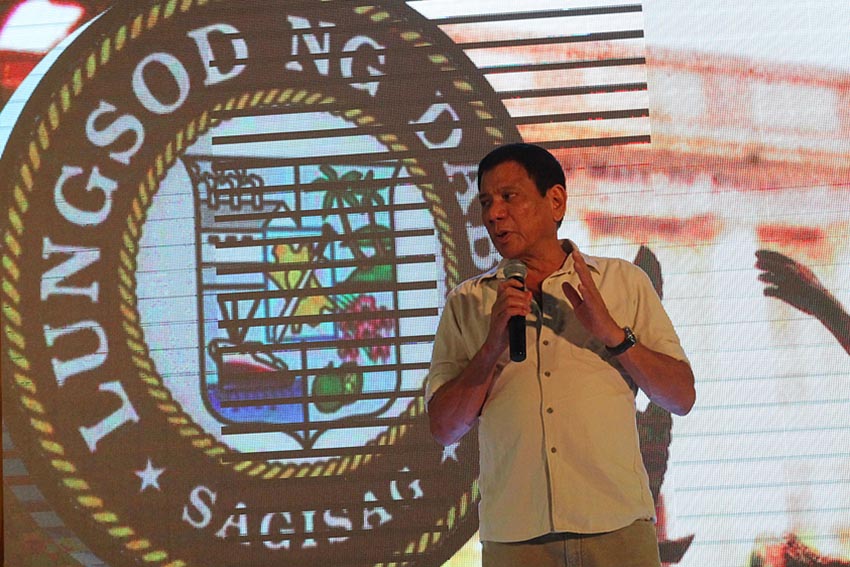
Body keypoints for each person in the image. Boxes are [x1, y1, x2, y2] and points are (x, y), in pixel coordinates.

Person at [425, 143, 696, 567]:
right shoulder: (468, 303)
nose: (494, 214)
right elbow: (444, 428)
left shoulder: (622, 282)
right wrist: (492, 345)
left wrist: (612, 334)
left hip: (617, 525)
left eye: (509, 197)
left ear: (555, 201)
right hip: (517, 538)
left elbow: (680, 397)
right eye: (485, 202)